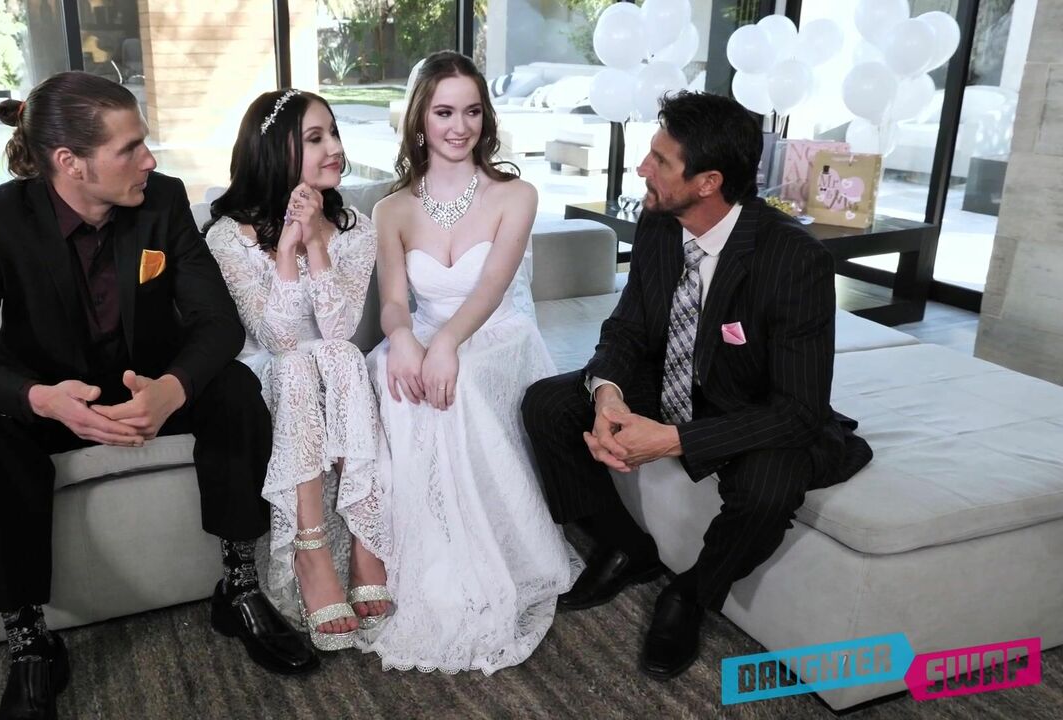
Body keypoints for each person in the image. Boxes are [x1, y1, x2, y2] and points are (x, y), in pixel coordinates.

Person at [0, 72, 317, 720]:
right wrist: (41, 399)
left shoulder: (162, 200)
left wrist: (172, 389)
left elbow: (218, 323)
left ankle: (239, 585)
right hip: (55, 399)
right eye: (130, 148)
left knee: (235, 386)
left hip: (147, 388)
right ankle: (29, 637)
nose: (150, 160)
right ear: (70, 163)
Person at [521, 91, 873, 681]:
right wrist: (607, 391)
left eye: (660, 161)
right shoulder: (660, 224)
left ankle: (690, 594)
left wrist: (671, 440)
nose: (642, 168)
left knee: (768, 488)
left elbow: (798, 410)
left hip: (754, 409)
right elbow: (629, 328)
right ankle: (624, 546)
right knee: (548, 404)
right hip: (674, 381)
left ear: (709, 182)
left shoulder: (794, 260)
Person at [363, 51, 580, 674]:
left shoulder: (516, 195)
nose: (460, 126)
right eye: (444, 112)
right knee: (387, 373)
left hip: (497, 332)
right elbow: (395, 301)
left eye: (472, 111)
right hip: (428, 328)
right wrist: (404, 338)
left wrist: (446, 345)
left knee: (454, 386)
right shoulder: (391, 209)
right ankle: (416, 561)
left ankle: (482, 559)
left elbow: (490, 290)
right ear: (419, 119)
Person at [204, 89, 390, 652]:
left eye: (334, 132)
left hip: (333, 368)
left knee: (340, 354)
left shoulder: (356, 227)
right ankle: (312, 551)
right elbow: (278, 339)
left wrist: (316, 244)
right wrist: (286, 252)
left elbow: (339, 328)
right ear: (274, 152)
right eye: (315, 138)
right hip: (269, 374)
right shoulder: (227, 235)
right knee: (298, 364)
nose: (334, 147)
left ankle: (365, 539)